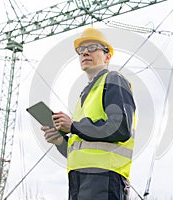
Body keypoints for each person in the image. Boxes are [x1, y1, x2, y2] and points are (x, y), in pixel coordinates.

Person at [41, 27, 136, 200]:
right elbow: (81, 148)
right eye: (81, 50)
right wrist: (60, 141)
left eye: (92, 47)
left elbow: (120, 127)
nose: (85, 52)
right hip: (80, 180)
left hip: (104, 180)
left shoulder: (113, 79)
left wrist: (73, 126)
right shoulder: (84, 95)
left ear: (107, 56)